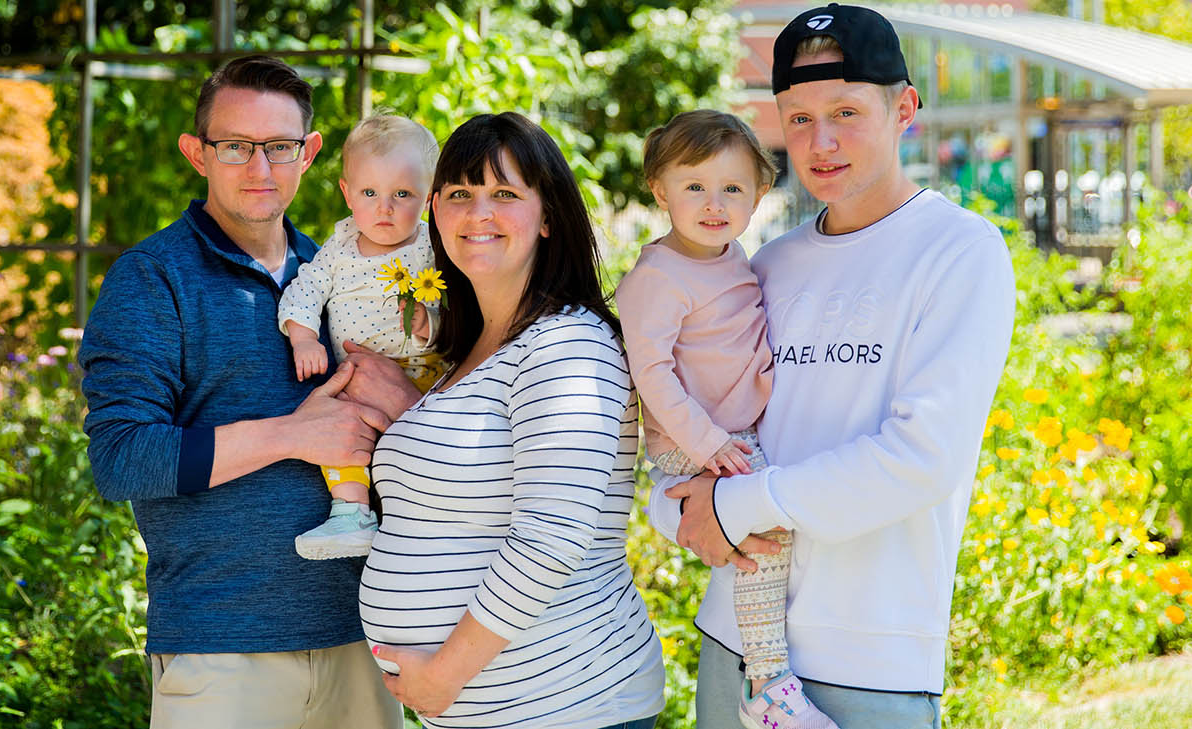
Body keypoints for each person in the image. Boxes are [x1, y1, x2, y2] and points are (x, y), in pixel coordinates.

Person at [646, 5, 1016, 729]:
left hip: (872, 663)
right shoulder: (767, 265)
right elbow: (695, 417)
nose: (821, 142)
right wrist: (678, 513)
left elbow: (922, 458)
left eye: (845, 111)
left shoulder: (961, 252)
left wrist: (737, 506)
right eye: (799, 116)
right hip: (734, 643)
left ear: (904, 107)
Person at [78, 55, 413, 729]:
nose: (259, 169)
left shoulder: (343, 273)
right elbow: (121, 458)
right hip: (221, 650)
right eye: (235, 146)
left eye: (280, 147)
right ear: (198, 153)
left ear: (310, 153)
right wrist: (294, 433)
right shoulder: (152, 278)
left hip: (361, 640)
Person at [360, 112, 666, 729]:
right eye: (459, 195)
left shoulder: (567, 345)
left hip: (568, 704)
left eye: (504, 194)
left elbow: (550, 539)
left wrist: (442, 676)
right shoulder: (465, 353)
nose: (479, 214)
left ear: (547, 216)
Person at [616, 110, 837, 729]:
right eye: (694, 187)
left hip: (730, 432)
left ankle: (768, 675)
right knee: (765, 534)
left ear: (759, 195)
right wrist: (709, 442)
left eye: (732, 189)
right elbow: (651, 375)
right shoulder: (657, 277)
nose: (714, 204)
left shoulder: (731, 252)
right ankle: (767, 683)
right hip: (701, 439)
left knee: (765, 533)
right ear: (660, 191)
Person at [278, 113, 445, 560]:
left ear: (427, 199)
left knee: (415, 451)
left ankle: (422, 520)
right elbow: (306, 289)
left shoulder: (432, 246)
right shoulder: (339, 247)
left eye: (402, 194)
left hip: (423, 373)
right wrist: (303, 339)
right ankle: (351, 514)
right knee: (339, 429)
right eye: (370, 193)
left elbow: (461, 308)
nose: (384, 208)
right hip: (352, 375)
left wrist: (429, 323)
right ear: (348, 193)